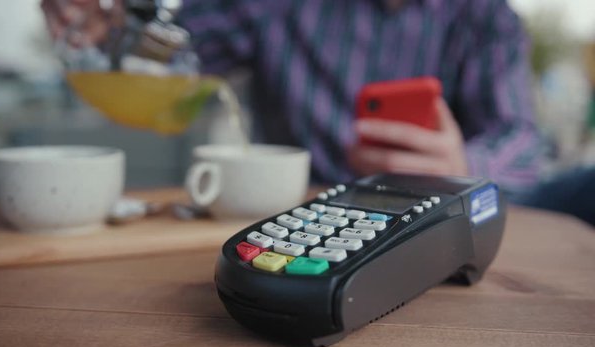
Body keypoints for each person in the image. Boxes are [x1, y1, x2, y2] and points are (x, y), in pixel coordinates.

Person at [42, 0, 544, 197]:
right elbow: (169, 58)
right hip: (294, 217)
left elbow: (522, 141)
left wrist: (464, 163)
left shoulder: (486, 18)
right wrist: (104, 25)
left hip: (434, 220)